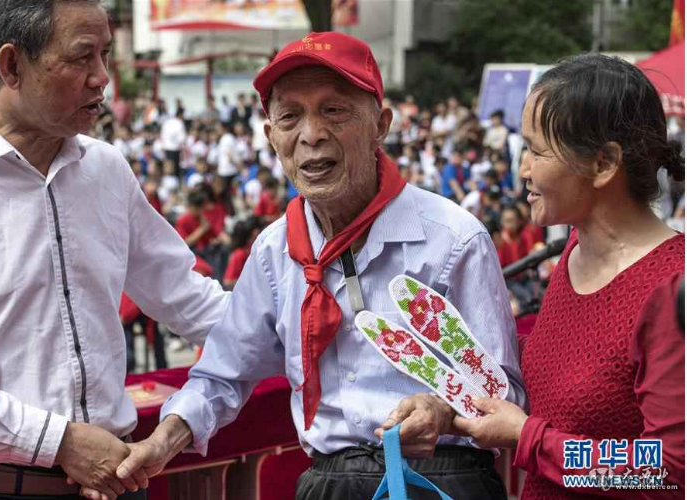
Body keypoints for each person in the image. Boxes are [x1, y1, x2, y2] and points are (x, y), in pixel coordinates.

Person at [105, 31, 525, 500]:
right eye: (290, 117)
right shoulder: (274, 251)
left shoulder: (453, 239)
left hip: (440, 478)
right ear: (271, 136)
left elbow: (506, 393)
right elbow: (223, 373)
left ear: (381, 125)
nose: (311, 135)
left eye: (334, 111)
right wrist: (161, 443)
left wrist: (443, 411)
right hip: (329, 481)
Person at [400, 53, 686, 499]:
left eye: (536, 151)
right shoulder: (574, 250)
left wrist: (528, 438)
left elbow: (667, 473)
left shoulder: (671, 286)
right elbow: (557, 384)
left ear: (604, 163)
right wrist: (448, 405)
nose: (523, 170)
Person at [0, 1, 229, 499]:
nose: (102, 78)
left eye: (105, 55)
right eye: (82, 57)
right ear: (12, 66)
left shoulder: (106, 169)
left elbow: (187, 297)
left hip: (118, 480)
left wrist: (304, 329)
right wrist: (58, 442)